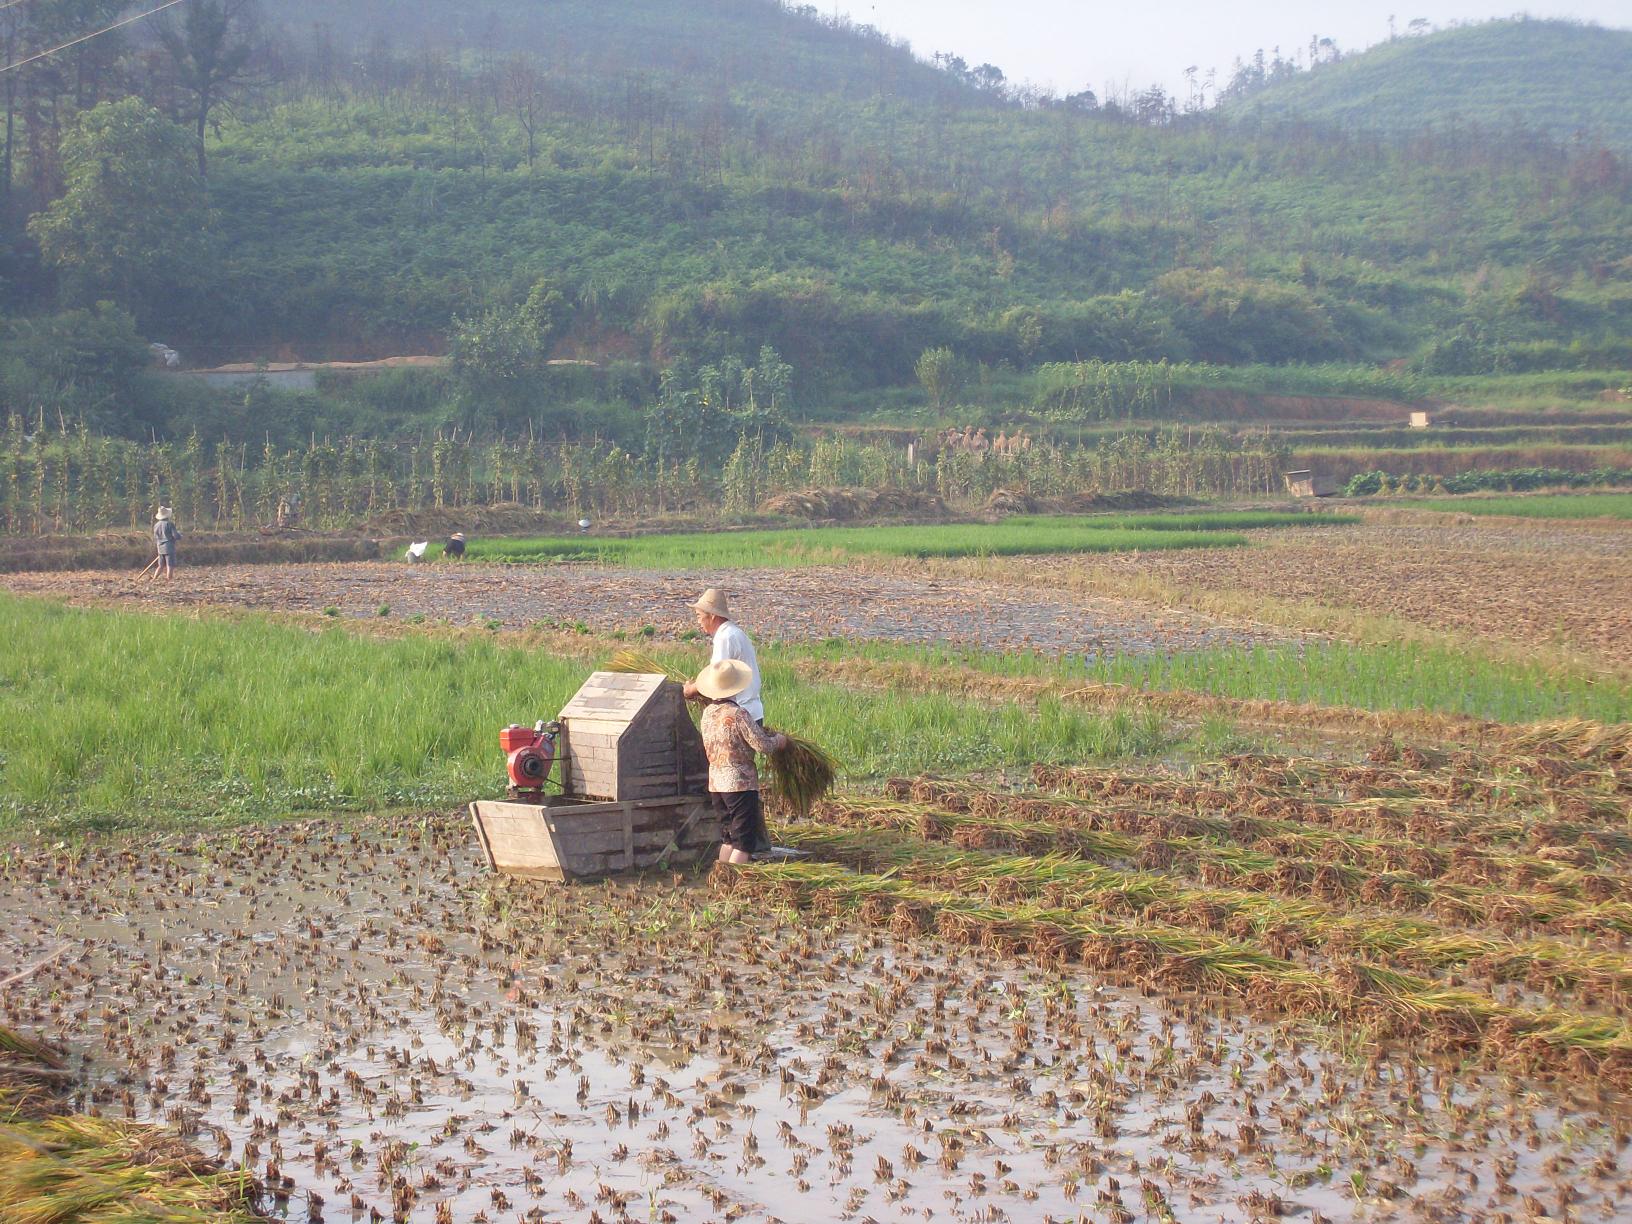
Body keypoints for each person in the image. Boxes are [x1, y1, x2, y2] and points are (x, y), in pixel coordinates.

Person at [694, 659, 787, 864]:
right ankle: (734, 883)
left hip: (716, 784)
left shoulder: (708, 714)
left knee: (728, 838)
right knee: (743, 843)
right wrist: (779, 741)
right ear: (736, 687)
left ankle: (721, 879)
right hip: (739, 785)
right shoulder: (738, 714)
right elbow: (763, 745)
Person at [682, 588, 763, 723]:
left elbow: (717, 678)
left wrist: (690, 690)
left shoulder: (725, 637)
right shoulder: (733, 633)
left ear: (712, 616)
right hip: (750, 712)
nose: (698, 621)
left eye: (698, 615)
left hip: (741, 715)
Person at [151, 506, 180, 580]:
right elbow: (175, 536)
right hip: (169, 547)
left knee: (160, 565)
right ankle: (169, 579)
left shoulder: (156, 525)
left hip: (160, 547)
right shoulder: (170, 524)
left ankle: (154, 578)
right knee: (170, 565)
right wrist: (180, 536)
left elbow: (155, 537)